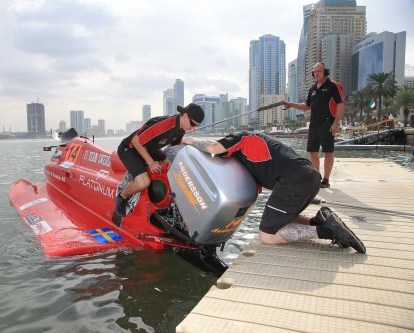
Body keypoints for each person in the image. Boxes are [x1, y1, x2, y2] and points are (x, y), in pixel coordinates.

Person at [182, 132, 366, 253]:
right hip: (309, 177)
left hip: (294, 181)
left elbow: (214, 147)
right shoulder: (261, 142)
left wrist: (192, 141)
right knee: (284, 219)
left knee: (266, 236)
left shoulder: (240, 138)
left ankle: (327, 231)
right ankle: (320, 220)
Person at [114, 103, 205, 217]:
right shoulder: (164, 124)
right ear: (185, 115)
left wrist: (165, 159)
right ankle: (122, 197)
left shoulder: (181, 130)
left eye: (196, 126)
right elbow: (136, 141)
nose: (193, 128)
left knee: (169, 162)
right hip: (130, 148)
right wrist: (151, 162)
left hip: (149, 149)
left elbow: (172, 147)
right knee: (144, 182)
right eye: (192, 124)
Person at [284, 62, 344, 188]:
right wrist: (291, 104)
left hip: (327, 122)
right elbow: (307, 107)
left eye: (319, 71)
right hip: (314, 124)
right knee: (312, 151)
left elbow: (341, 103)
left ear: (325, 72)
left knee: (328, 151)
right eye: (314, 71)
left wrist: (335, 123)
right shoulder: (312, 89)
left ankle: (326, 180)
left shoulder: (333, 86)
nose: (316, 73)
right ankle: (317, 178)